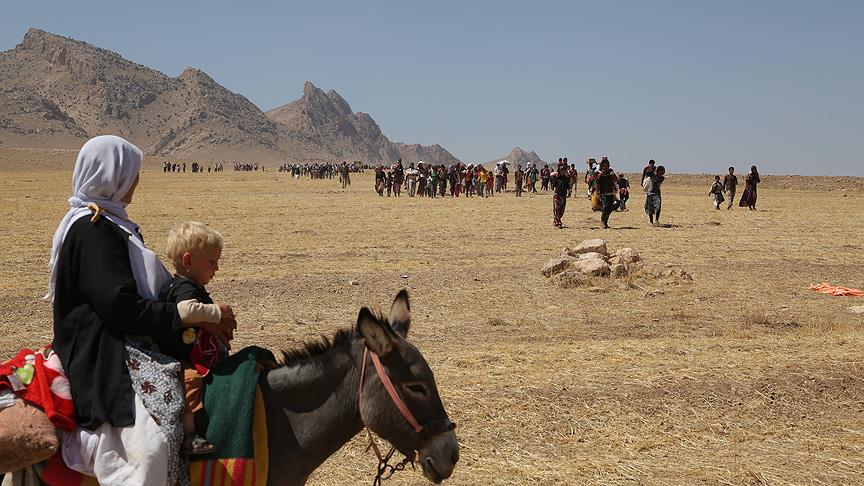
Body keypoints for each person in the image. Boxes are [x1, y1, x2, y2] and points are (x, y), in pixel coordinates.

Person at [48, 135, 236, 484]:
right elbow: (119, 307)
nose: (137, 180)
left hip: (123, 336)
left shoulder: (113, 224)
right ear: (113, 176)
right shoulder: (92, 231)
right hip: (104, 350)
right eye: (132, 173)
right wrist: (189, 317)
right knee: (152, 447)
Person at [162, 222, 233, 455]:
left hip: (199, 354)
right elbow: (186, 312)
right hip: (182, 358)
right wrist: (218, 312)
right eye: (212, 262)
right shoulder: (184, 288)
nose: (217, 268)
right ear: (188, 261)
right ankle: (189, 434)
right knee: (190, 380)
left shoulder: (194, 286)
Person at [596, 159, 620, 228]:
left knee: (610, 208)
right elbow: (598, 183)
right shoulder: (600, 173)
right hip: (604, 193)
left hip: (610, 192)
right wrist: (598, 193)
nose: (608, 166)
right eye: (606, 165)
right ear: (603, 166)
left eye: (608, 165)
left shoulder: (611, 171)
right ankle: (602, 220)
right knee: (605, 207)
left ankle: (605, 221)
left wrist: (613, 175)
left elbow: (616, 179)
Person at [551, 163, 570, 228]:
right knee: (557, 208)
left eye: (564, 170)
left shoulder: (566, 178)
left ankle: (556, 220)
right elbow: (553, 184)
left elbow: (568, 186)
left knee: (562, 210)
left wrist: (569, 190)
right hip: (557, 194)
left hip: (563, 195)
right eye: (562, 170)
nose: (563, 171)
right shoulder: (556, 177)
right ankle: (558, 222)